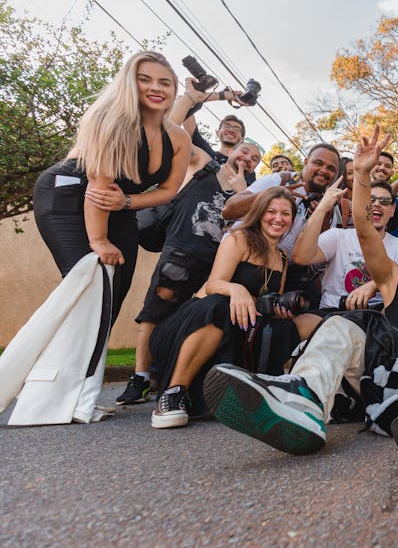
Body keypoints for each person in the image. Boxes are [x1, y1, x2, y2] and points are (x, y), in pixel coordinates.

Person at [203, 127, 398, 458]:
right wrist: (360, 174)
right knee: (339, 324)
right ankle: (302, 402)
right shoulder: (389, 276)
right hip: (386, 368)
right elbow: (361, 226)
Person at [33, 51, 190, 323]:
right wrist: (99, 241)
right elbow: (99, 185)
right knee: (88, 282)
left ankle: (91, 363)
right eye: (145, 79)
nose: (156, 87)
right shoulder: (111, 118)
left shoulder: (178, 137)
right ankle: (54, 363)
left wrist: (126, 202)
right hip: (69, 191)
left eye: (165, 82)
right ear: (130, 83)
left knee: (116, 288)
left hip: (118, 203)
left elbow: (169, 190)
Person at [149, 187, 320, 428]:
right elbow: (213, 285)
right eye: (271, 211)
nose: (278, 219)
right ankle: (173, 393)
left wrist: (279, 309)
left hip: (237, 332)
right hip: (193, 327)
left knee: (283, 326)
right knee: (220, 305)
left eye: (285, 214)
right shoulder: (239, 238)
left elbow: (271, 299)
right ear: (260, 213)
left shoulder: (281, 257)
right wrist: (236, 289)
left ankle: (269, 392)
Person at [117, 141, 259, 405]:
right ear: (231, 151)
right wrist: (202, 97)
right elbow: (175, 130)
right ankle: (140, 378)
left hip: (217, 264)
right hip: (182, 253)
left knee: (192, 318)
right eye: (244, 151)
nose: (247, 158)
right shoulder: (205, 165)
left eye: (254, 159)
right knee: (155, 311)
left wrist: (244, 192)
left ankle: (166, 374)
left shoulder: (250, 193)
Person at [291, 180, 398, 310]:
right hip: (332, 313)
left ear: (392, 210)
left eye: (384, 201)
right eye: (371, 199)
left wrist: (375, 284)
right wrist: (322, 207)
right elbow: (301, 256)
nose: (376, 204)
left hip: (376, 316)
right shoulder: (338, 236)